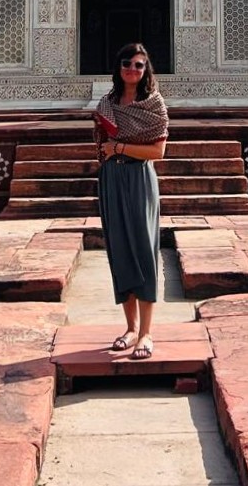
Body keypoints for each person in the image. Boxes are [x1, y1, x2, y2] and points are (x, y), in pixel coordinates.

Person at [93, 41, 169, 360]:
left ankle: (147, 334)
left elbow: (158, 152)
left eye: (139, 65)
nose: (132, 70)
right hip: (111, 178)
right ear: (118, 67)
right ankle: (130, 328)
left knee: (143, 249)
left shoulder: (153, 104)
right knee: (120, 249)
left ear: (146, 69)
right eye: (127, 64)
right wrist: (108, 151)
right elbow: (100, 143)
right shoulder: (108, 102)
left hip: (139, 178)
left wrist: (120, 148)